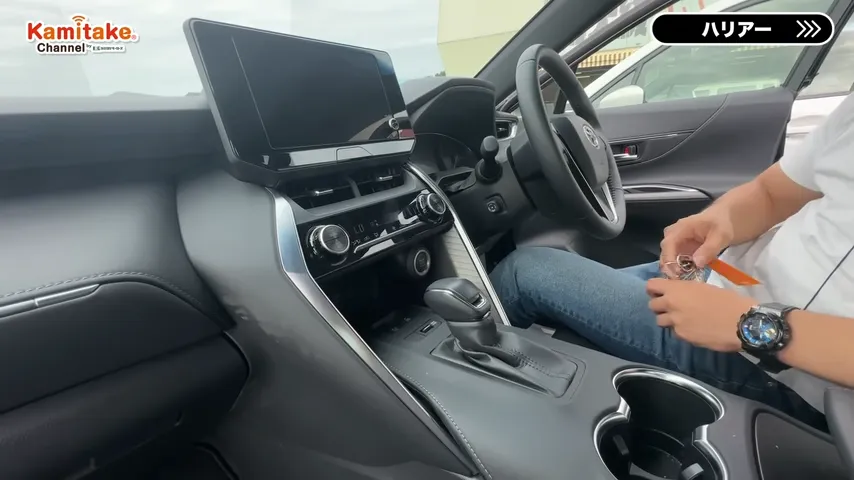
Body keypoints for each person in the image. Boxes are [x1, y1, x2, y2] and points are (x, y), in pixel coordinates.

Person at [490, 91, 854, 430]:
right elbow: (771, 192)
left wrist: (746, 323)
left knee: (525, 272)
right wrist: (717, 221)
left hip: (784, 368)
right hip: (729, 283)